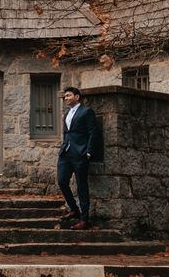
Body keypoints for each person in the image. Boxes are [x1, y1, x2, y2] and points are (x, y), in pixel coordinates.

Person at [57, 86, 98, 230]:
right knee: (62, 181)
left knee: (82, 186)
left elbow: (93, 132)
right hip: (66, 153)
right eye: (65, 96)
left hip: (80, 154)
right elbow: (67, 133)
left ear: (77, 97)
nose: (66, 98)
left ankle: (84, 220)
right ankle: (74, 209)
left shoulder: (86, 112)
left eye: (68, 95)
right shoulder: (67, 113)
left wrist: (88, 152)